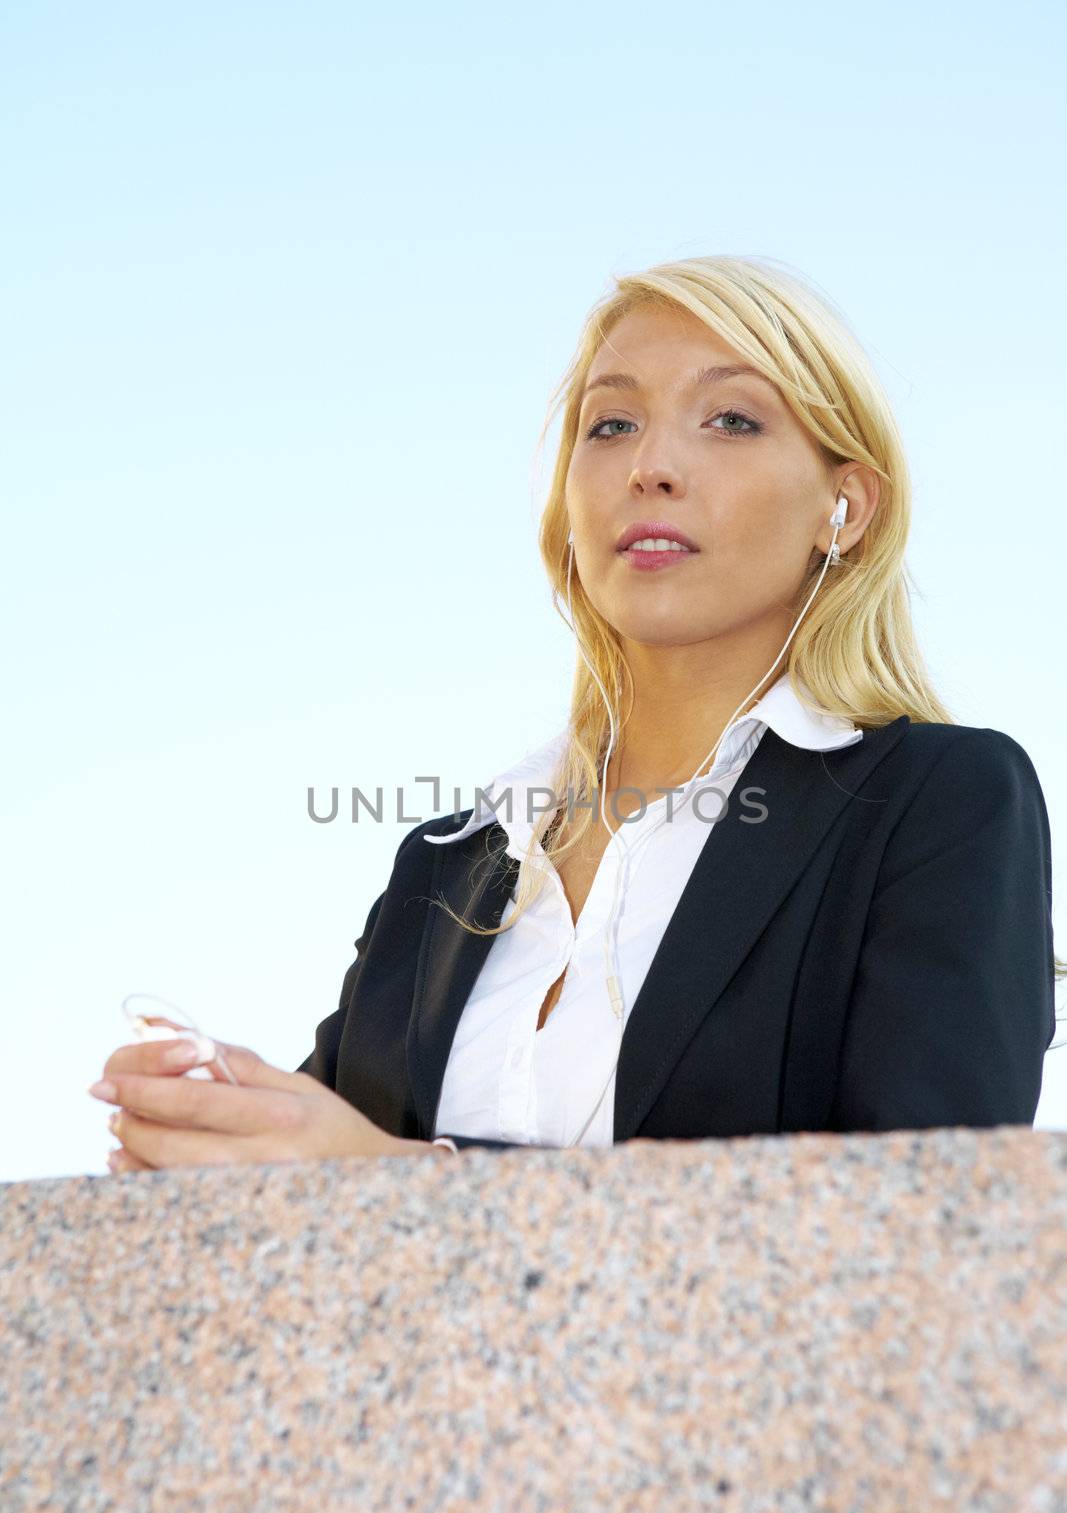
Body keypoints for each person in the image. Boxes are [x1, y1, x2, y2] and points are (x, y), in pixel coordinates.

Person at [92, 254, 1063, 1171]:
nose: (650, 465)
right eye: (609, 425)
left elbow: (926, 1228)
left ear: (842, 508)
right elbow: (316, 1186)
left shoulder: (938, 801)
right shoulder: (447, 860)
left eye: (728, 419)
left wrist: (393, 1173)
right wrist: (218, 1130)